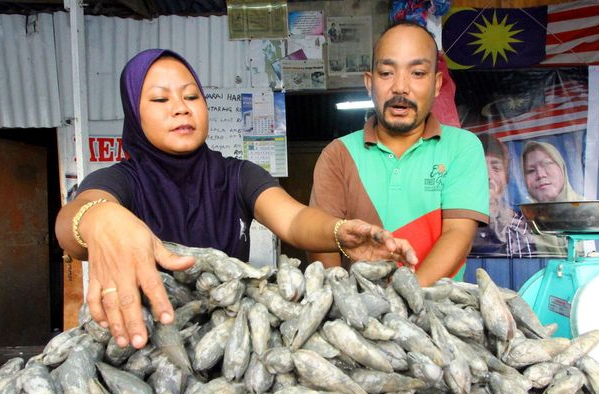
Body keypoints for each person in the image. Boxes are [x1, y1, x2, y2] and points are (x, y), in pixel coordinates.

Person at [56, 49, 417, 349]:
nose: (181, 108)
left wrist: (340, 232)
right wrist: (99, 218)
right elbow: (71, 226)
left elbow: (292, 219)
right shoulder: (121, 181)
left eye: (192, 96)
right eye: (160, 99)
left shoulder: (238, 175)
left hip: (229, 340)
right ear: (135, 113)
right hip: (142, 343)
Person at [308, 22, 489, 285]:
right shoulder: (338, 154)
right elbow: (321, 241)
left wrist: (407, 299)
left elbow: (458, 235)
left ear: (437, 84)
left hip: (440, 310)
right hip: (360, 313)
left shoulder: (462, 147)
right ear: (369, 82)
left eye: (417, 73)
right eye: (386, 73)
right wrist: (339, 302)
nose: (400, 87)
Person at [471, 134, 532, 256]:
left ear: (506, 179)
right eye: (479, 167)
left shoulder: (521, 226)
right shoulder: (452, 223)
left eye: (496, 168)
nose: (487, 176)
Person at [520, 140, 583, 255]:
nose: (540, 175)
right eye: (531, 171)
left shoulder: (587, 209)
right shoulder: (523, 224)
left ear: (562, 168)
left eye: (547, 164)